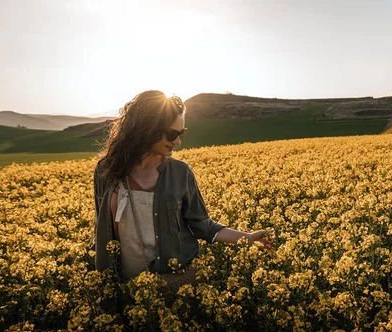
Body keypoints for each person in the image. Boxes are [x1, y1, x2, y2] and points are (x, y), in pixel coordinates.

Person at [91, 90, 274, 292]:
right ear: (147, 128)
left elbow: (203, 226)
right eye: (172, 134)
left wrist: (246, 238)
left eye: (182, 133)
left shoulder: (180, 173)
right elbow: (102, 226)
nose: (178, 141)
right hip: (124, 286)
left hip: (173, 283)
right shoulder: (106, 171)